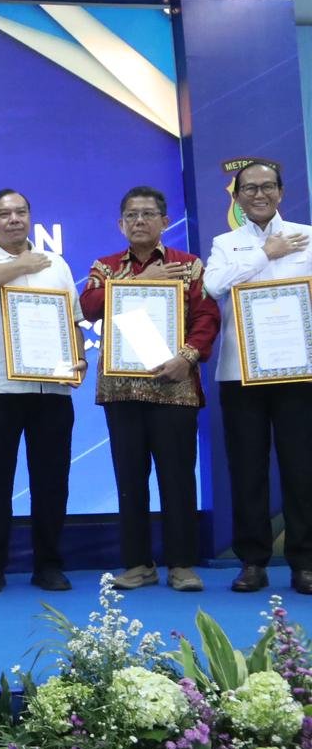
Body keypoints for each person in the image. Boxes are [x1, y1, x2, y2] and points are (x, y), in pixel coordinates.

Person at [80, 186, 220, 592]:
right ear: (120, 224)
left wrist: (187, 358)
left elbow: (207, 317)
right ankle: (138, 563)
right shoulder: (105, 267)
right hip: (122, 389)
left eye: (147, 214)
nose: (139, 221)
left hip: (174, 385)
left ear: (164, 221)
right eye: (131, 215)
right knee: (129, 480)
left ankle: (182, 564)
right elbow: (88, 306)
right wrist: (141, 280)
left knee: (177, 478)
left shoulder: (188, 265)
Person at [0, 188, 87, 593]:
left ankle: (48, 565)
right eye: (4, 214)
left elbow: (73, 320)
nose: (14, 219)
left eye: (20, 212)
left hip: (52, 391)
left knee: (52, 482)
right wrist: (21, 265)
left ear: (30, 217)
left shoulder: (57, 263)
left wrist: (79, 359)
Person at [203, 161, 312, 594]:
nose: (260, 194)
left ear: (281, 192)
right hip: (241, 373)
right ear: (238, 197)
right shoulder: (225, 243)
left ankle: (305, 561)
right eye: (250, 188)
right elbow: (213, 286)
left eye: (268, 186)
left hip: (298, 369)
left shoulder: (307, 236)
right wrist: (265, 253)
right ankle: (252, 561)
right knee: (247, 468)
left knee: (302, 468)